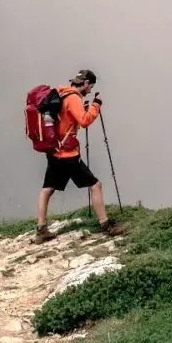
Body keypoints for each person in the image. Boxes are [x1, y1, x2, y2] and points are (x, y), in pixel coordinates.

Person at [34, 69, 128, 243]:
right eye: (90, 87)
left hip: (54, 152)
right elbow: (84, 121)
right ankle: (106, 225)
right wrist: (96, 105)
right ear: (85, 83)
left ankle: (41, 230)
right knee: (95, 185)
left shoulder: (61, 93)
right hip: (68, 155)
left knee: (47, 189)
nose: (90, 90)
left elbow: (66, 117)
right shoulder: (74, 98)